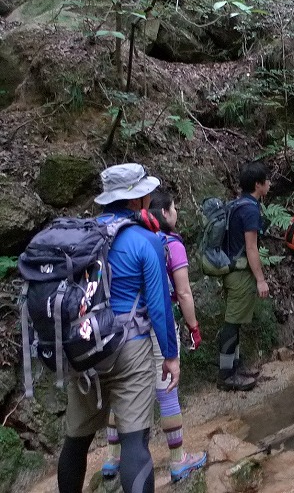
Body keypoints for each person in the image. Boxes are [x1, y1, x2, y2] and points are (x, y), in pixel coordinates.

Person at [57, 163, 178, 493]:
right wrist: (170, 354)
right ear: (139, 199)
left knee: (76, 441)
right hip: (130, 347)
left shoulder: (79, 236)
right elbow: (159, 305)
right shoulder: (146, 240)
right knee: (134, 442)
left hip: (82, 347)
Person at [102, 189, 206, 483]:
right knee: (168, 390)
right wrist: (193, 327)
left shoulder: (116, 237)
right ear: (164, 213)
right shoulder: (170, 244)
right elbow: (183, 292)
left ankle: (112, 459)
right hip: (155, 322)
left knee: (119, 393)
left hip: (118, 327)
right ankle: (178, 460)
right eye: (174, 208)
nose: (177, 214)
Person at [217, 161, 271, 391]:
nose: (270, 183)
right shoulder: (249, 209)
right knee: (232, 323)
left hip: (229, 269)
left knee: (235, 322)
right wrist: (260, 279)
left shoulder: (235, 205)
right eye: (267, 180)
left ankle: (234, 367)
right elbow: (251, 248)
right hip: (239, 274)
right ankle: (227, 375)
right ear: (258, 185)